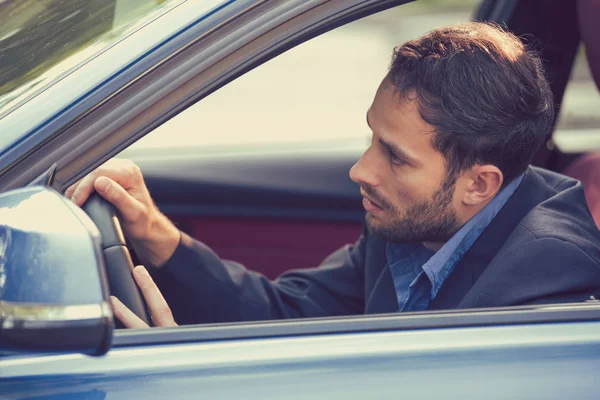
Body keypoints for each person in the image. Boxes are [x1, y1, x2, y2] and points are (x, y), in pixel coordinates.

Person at [67, 22, 600, 329]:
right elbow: (288, 316)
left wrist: (179, 382)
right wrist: (156, 237)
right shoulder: (421, 226)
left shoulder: (547, 288)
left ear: (478, 184)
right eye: (372, 138)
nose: (361, 170)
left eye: (395, 157)